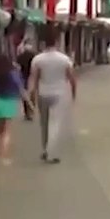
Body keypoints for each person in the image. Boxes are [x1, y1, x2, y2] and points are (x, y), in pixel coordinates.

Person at [28, 32, 77, 163]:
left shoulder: (38, 60)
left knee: (43, 124)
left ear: (43, 44)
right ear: (56, 43)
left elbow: (34, 78)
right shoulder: (64, 59)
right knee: (55, 124)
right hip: (59, 95)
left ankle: (45, 149)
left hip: (43, 94)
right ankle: (51, 153)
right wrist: (73, 94)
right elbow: (72, 78)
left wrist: (31, 94)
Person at [0, 54, 30, 167]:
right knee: (6, 133)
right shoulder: (13, 73)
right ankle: (4, 158)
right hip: (9, 103)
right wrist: (29, 103)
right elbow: (21, 88)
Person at [16, 41, 37, 121]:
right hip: (31, 76)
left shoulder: (20, 56)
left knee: (25, 95)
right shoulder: (34, 55)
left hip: (23, 76)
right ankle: (31, 111)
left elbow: (17, 67)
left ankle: (26, 112)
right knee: (32, 93)